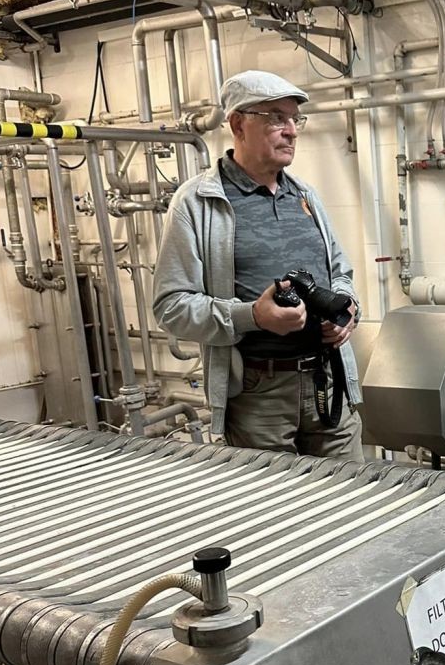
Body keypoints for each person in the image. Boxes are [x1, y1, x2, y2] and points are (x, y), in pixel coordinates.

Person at [153, 70, 363, 459]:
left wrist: (347, 310)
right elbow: (171, 306)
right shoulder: (197, 203)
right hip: (257, 393)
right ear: (238, 124)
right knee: (274, 496)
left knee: (351, 490)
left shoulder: (306, 196)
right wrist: (252, 316)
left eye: (295, 119)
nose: (291, 131)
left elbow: (341, 274)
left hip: (329, 380)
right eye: (276, 118)